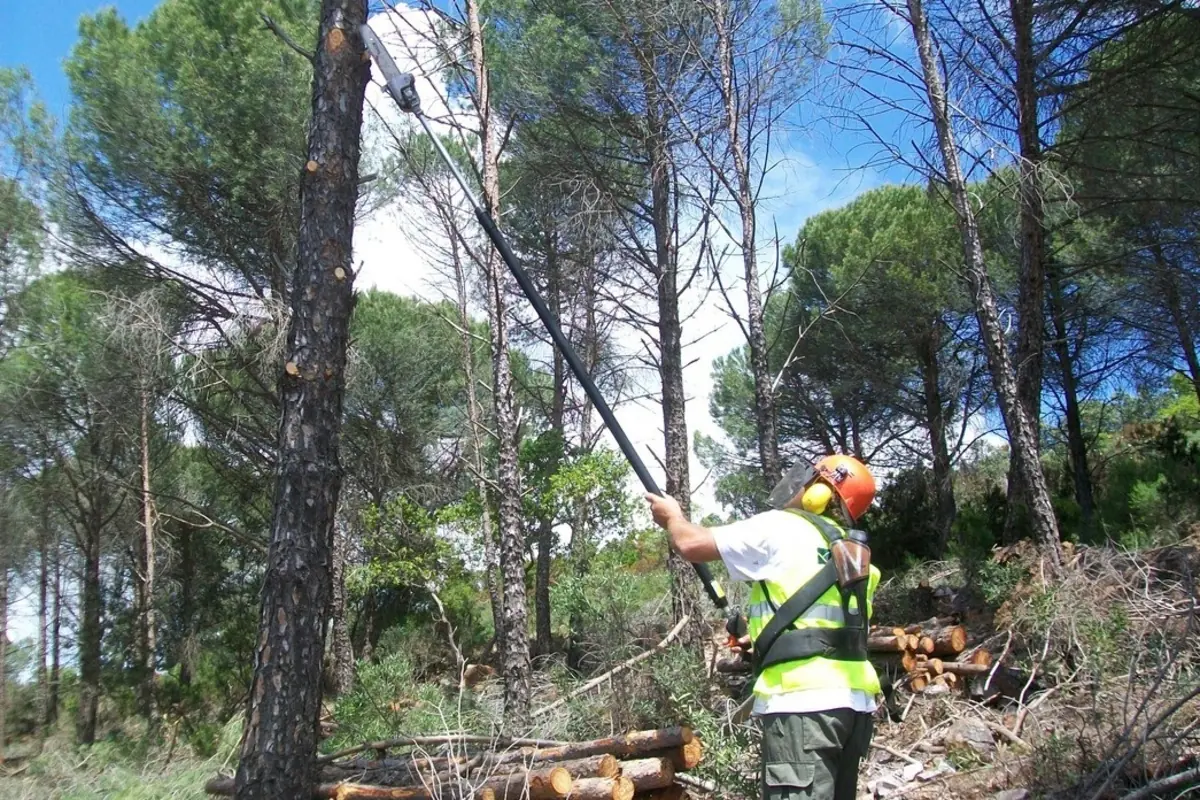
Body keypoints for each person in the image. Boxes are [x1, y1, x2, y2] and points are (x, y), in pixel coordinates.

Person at [645, 454, 882, 800]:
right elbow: (832, 634)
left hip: (803, 707)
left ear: (820, 492)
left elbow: (690, 544)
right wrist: (764, 642)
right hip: (854, 709)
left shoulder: (783, 527)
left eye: (810, 478)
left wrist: (673, 517)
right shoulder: (857, 555)